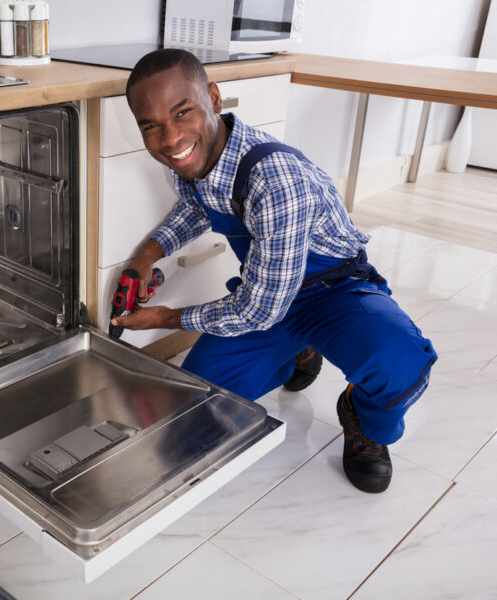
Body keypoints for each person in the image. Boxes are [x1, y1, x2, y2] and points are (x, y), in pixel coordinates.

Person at [110, 49, 437, 494]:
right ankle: (298, 351)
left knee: (397, 363)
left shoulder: (275, 179)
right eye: (151, 125)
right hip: (267, 293)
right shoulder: (194, 159)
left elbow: (258, 311)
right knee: (201, 405)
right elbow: (196, 208)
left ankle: (364, 420)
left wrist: (166, 318)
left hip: (333, 291)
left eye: (182, 112)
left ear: (214, 98)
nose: (170, 138)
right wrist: (146, 255)